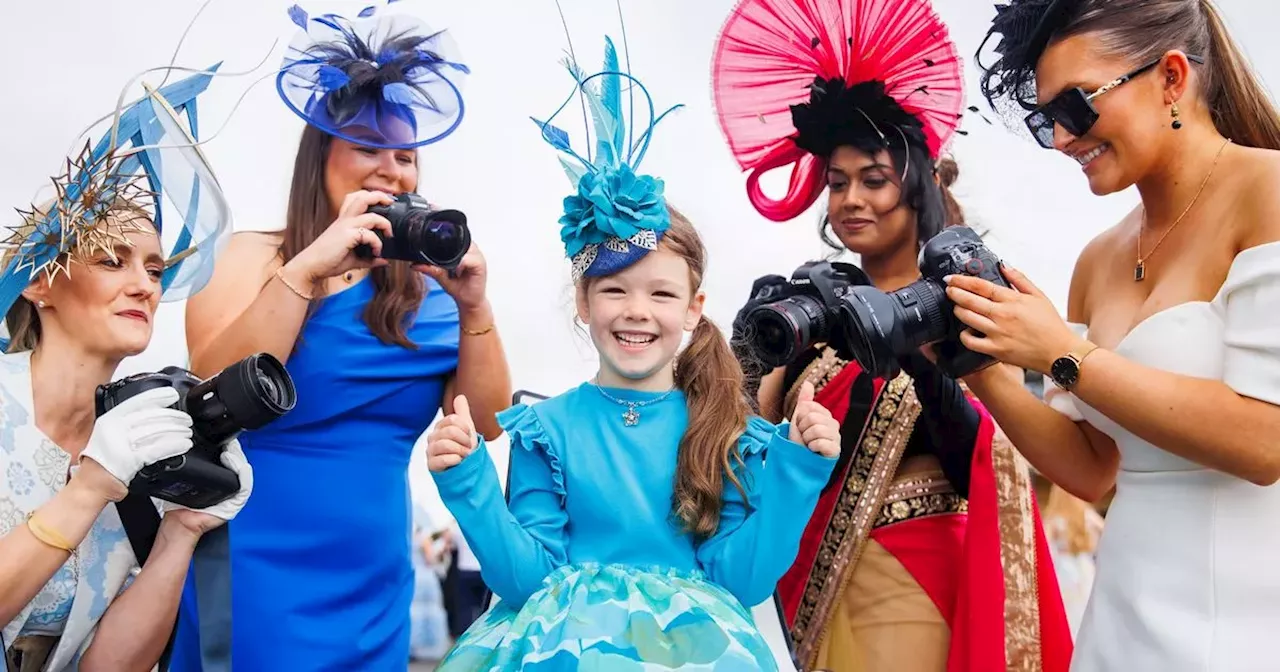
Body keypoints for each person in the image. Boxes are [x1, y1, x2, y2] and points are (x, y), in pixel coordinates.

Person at [425, 34, 841, 669]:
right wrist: (469, 482)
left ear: (693, 309)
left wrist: (797, 472)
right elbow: (524, 581)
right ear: (584, 302)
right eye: (614, 290)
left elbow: (743, 580)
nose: (637, 310)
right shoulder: (546, 430)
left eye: (662, 293)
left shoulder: (725, 428)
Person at [712, 0, 1072, 669]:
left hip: (921, 589)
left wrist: (922, 356)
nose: (850, 200)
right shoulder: (813, 315)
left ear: (921, 186)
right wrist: (754, 364)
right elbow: (746, 466)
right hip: (813, 598)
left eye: (874, 180)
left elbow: (1000, 462)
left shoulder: (976, 300)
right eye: (837, 182)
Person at [171, 5, 511, 670]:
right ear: (319, 157)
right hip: (252, 560)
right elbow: (216, 380)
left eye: (406, 156)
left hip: (372, 581)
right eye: (366, 148)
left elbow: (491, 421)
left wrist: (474, 305)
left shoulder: (429, 292)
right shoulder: (251, 258)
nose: (391, 169)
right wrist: (309, 267)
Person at [956, 0, 1280, 668]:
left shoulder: (1267, 191)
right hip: (1120, 624)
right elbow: (1090, 466)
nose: (1059, 140)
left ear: (1169, 78)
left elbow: (1264, 440)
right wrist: (980, 359)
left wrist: (1063, 353)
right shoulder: (1097, 259)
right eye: (1046, 118)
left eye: (1075, 107)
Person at [1, 69, 251, 671]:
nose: (143, 284)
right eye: (113, 261)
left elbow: (108, 666)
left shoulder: (144, 441)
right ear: (41, 284)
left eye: (155, 268)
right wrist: (89, 488)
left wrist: (182, 530)